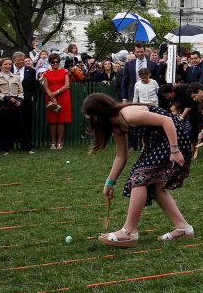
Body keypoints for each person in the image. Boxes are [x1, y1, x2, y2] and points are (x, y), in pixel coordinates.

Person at [83, 93, 194, 247]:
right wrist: (109, 182)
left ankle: (129, 232)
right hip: (157, 143)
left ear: (98, 115)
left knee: (139, 176)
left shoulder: (129, 115)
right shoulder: (117, 125)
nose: (91, 122)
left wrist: (174, 150)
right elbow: (121, 156)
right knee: (155, 186)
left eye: (90, 118)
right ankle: (184, 228)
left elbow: (167, 121)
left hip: (173, 138)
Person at [0, 57, 26, 155]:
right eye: (5, 64)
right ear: (0, 66)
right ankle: (5, 148)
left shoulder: (16, 77)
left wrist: (20, 100)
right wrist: (7, 98)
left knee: (20, 125)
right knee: (4, 127)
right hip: (3, 103)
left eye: (10, 64)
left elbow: (21, 91)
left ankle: (26, 147)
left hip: (15, 103)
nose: (8, 66)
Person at [42, 53, 72, 150]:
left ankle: (59, 142)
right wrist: (51, 96)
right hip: (50, 97)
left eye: (57, 62)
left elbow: (67, 85)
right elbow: (45, 86)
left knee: (62, 120)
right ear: (49, 62)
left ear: (60, 62)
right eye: (53, 62)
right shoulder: (46, 73)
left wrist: (56, 92)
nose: (55, 64)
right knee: (52, 120)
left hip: (63, 96)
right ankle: (53, 142)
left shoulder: (64, 71)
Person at [11, 52, 38, 153]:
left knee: (27, 123)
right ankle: (9, 145)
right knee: (11, 123)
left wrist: (29, 97)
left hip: (26, 102)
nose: (21, 62)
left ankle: (27, 145)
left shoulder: (31, 71)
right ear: (13, 60)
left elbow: (35, 86)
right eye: (19, 60)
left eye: (23, 59)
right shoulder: (8, 69)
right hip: (11, 101)